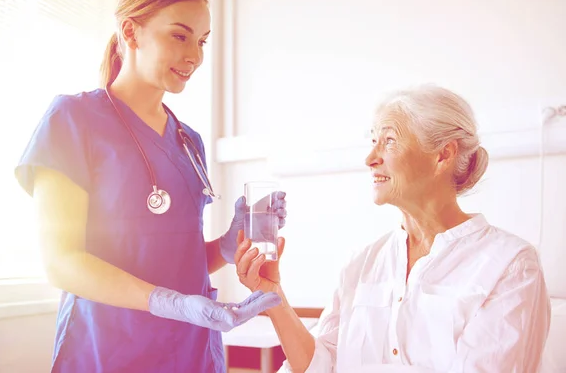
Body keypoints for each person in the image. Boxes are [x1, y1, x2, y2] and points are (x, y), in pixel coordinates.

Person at [14, 0, 286, 373]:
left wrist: (227, 248)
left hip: (191, 351)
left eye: (202, 41)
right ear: (131, 31)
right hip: (109, 349)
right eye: (180, 35)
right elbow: (61, 261)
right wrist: (168, 302)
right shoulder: (73, 120)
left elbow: (174, 257)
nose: (195, 55)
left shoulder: (188, 141)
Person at [234, 84, 551, 373]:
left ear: (443, 155)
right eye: (373, 142)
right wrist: (273, 298)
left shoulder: (511, 265)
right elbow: (321, 365)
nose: (370, 158)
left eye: (388, 141)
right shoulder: (360, 263)